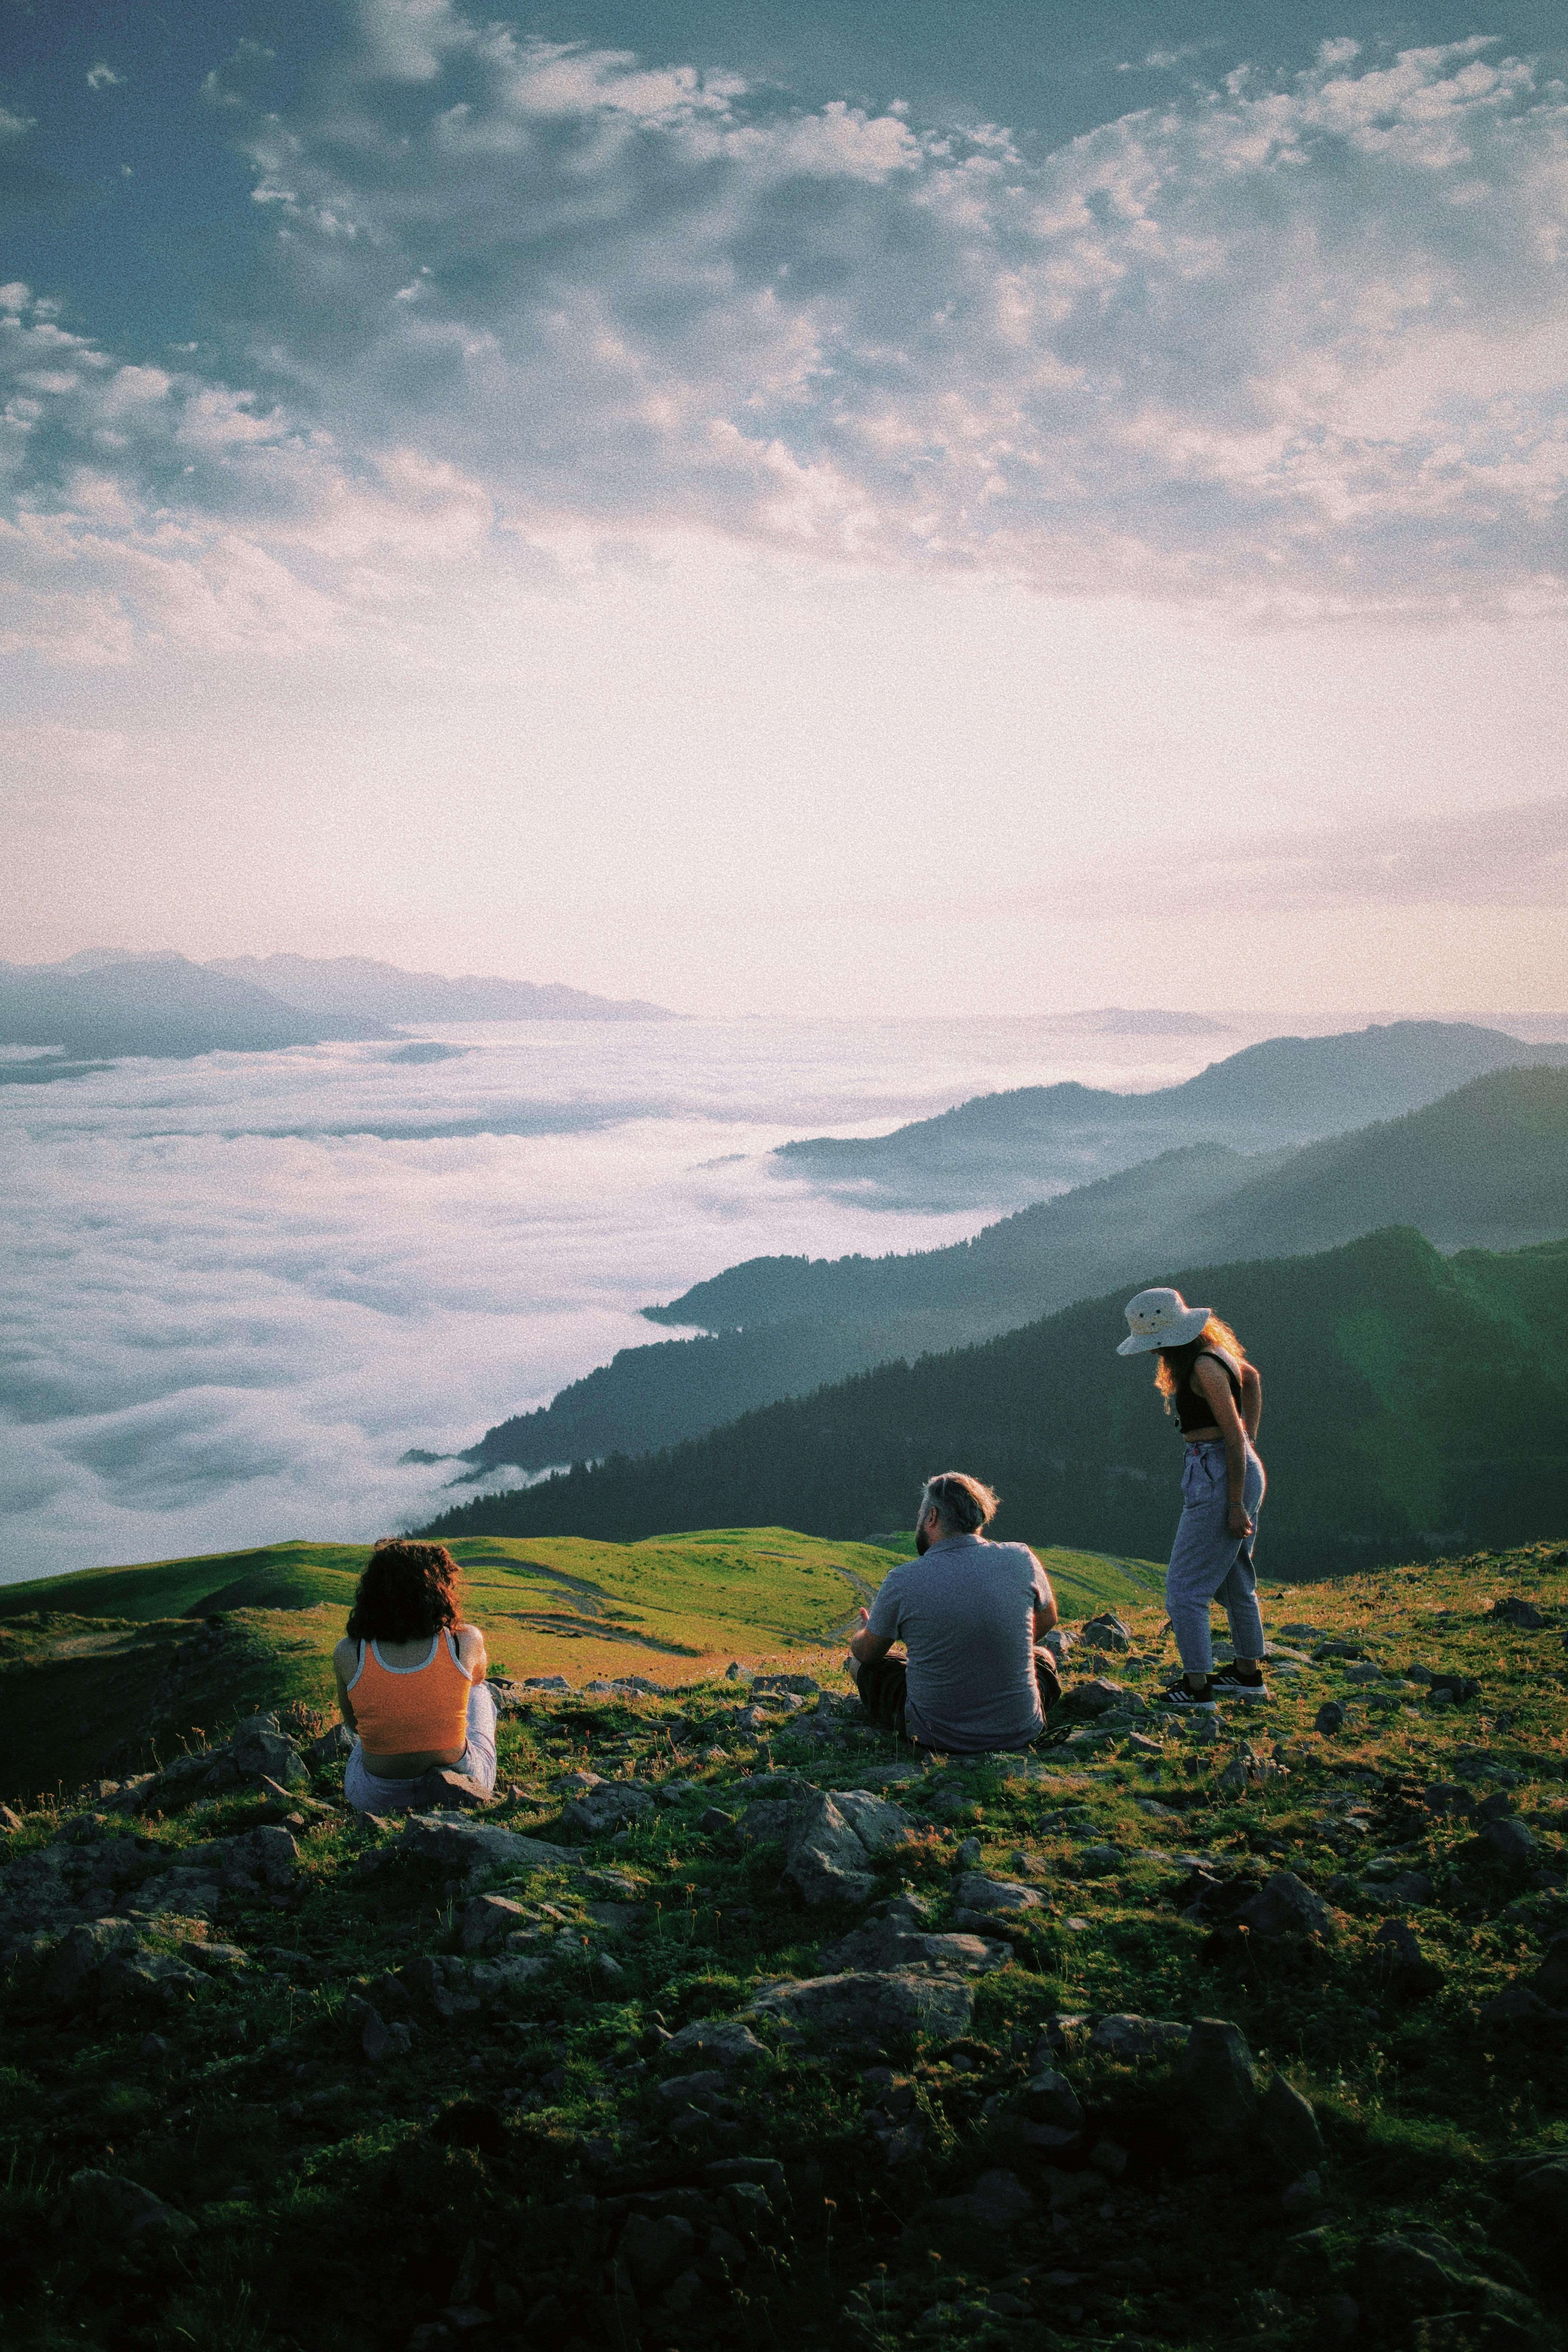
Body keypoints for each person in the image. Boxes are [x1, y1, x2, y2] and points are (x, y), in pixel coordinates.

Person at [1116, 1286, 1268, 1706]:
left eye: (1153, 1344)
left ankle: (1198, 1688)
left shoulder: (1201, 1368)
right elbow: (1252, 1380)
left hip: (1217, 1472)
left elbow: (1232, 1433)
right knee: (1235, 1580)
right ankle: (1246, 1675)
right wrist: (1248, 1446)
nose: (1152, 1354)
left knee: (1184, 1589)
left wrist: (1234, 1502)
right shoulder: (1215, 1353)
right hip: (1231, 1467)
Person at [847, 1472, 1060, 1753]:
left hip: (935, 1735)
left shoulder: (903, 1579)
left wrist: (863, 1633)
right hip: (1021, 1729)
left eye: (921, 1514)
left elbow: (869, 1654)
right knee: (1043, 1656)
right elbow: (1049, 1619)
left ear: (932, 1517)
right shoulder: (1021, 1558)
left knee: (859, 1664)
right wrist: (995, 1642)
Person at [334, 1537, 498, 1811]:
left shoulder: (350, 1652)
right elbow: (480, 1677)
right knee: (479, 1691)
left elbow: (354, 1725)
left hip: (377, 1798)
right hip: (460, 1783)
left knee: (368, 1737)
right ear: (439, 1589)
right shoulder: (465, 1641)